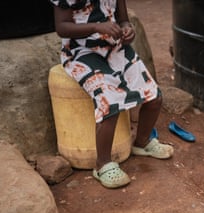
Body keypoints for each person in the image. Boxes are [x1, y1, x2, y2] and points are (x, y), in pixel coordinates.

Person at [49, 0, 173, 189]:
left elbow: (123, 20)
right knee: (111, 104)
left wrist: (127, 30)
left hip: (115, 48)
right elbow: (62, 28)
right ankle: (103, 164)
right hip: (81, 52)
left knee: (154, 96)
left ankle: (142, 142)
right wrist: (96, 27)